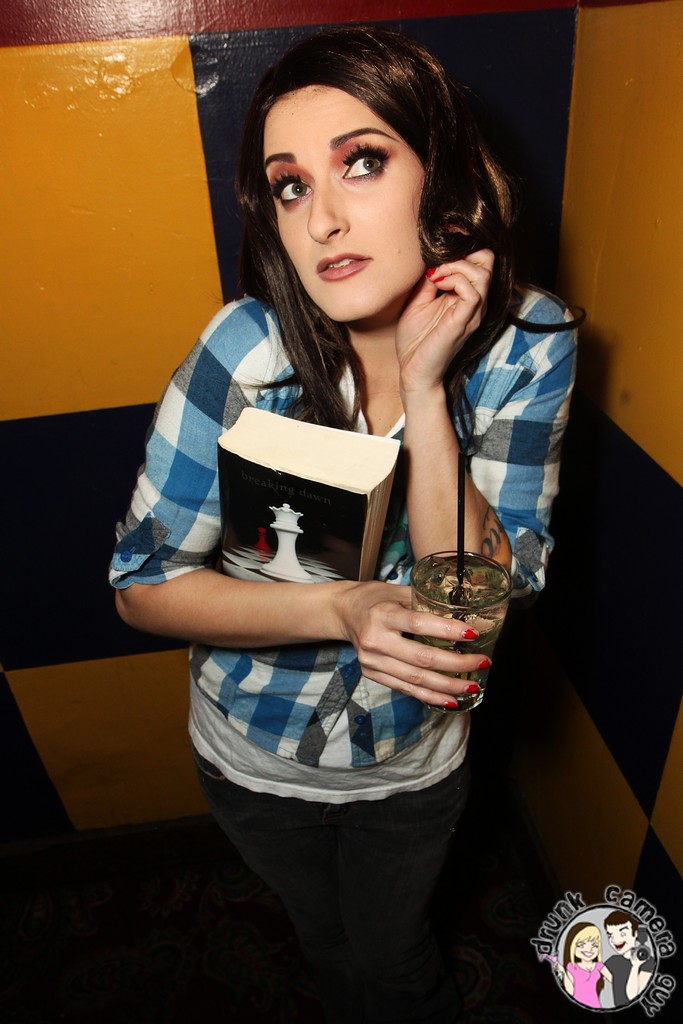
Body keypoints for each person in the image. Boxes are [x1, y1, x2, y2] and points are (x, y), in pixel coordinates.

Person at [110, 25, 579, 1024]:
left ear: (443, 182)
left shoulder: (527, 347)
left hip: (411, 765)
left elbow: (474, 612)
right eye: (289, 185)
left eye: (360, 162)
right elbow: (142, 587)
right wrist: (341, 608)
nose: (321, 219)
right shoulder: (244, 354)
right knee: (323, 944)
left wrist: (424, 385)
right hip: (250, 753)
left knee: (398, 963)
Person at [556, 922, 613, 1009]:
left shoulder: (599, 966)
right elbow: (570, 992)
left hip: (595, 1005)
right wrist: (563, 972)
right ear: (572, 946)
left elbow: (615, 981)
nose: (589, 949)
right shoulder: (572, 967)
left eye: (595, 945)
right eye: (581, 945)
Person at [604, 911, 656, 1006]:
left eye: (622, 934)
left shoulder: (648, 962)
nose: (615, 940)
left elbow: (633, 997)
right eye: (610, 935)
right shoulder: (613, 961)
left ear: (635, 933)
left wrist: (635, 966)